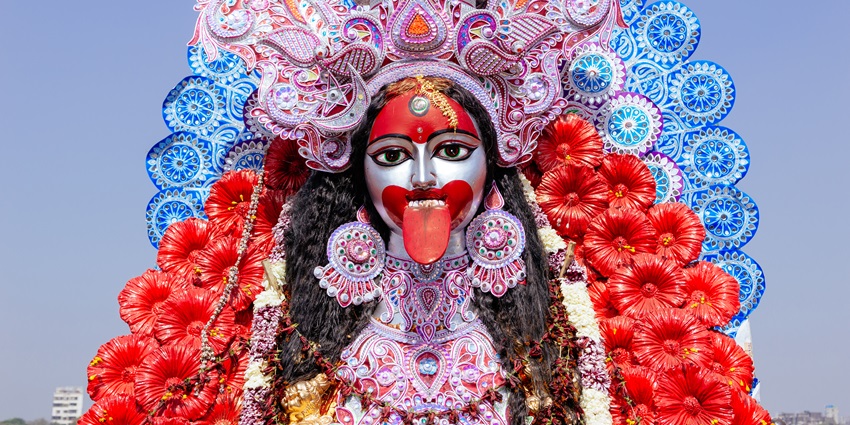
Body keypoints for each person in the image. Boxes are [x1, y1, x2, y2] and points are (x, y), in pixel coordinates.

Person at [277, 76, 569, 425]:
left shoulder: (537, 327)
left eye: (450, 150)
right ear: (360, 175)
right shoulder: (318, 335)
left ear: (491, 167)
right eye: (392, 155)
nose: (422, 177)